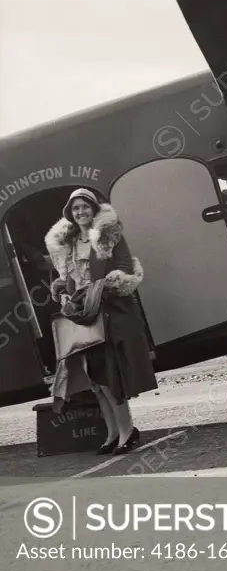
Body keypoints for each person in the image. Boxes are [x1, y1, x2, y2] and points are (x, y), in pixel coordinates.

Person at [44, 188, 157, 455]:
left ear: (93, 209)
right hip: (81, 316)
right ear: (70, 215)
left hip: (108, 314)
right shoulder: (69, 243)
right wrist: (62, 288)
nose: (81, 212)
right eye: (75, 209)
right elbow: (69, 276)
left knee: (109, 376)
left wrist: (101, 289)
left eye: (85, 207)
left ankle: (127, 432)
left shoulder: (109, 235)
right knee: (94, 379)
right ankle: (112, 432)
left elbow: (126, 270)